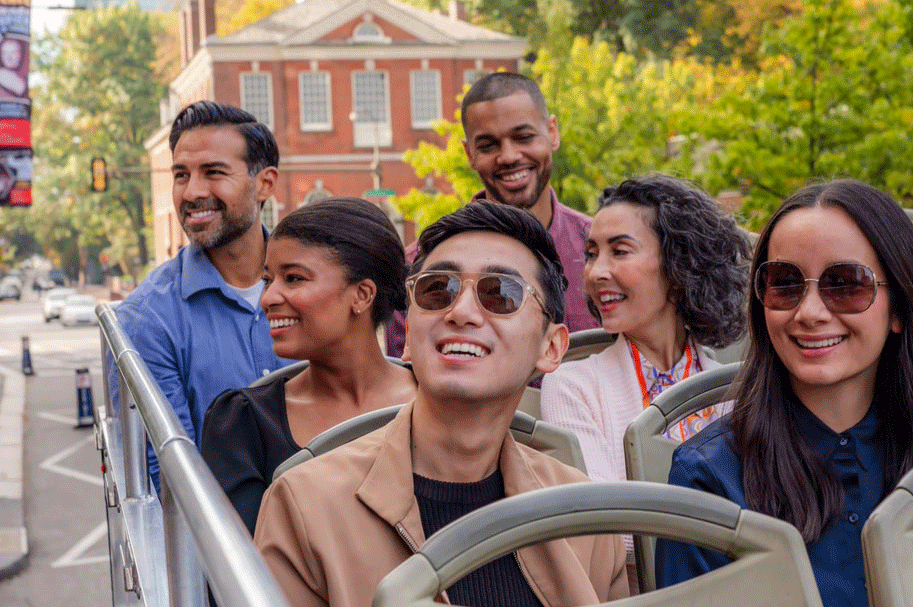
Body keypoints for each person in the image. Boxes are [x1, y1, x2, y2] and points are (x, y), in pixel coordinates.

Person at [654, 179, 913, 606]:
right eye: (784, 282)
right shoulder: (708, 479)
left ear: (898, 306)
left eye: (845, 284)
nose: (810, 312)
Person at [255, 202, 629, 607]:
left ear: (551, 346)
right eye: (438, 290)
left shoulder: (586, 517)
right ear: (410, 331)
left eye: (500, 294)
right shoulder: (305, 506)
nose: (462, 312)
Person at [539, 174, 748, 586]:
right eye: (592, 255)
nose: (597, 273)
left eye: (620, 251)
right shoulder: (571, 384)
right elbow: (608, 528)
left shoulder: (736, 389)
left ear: (678, 265)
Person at [200, 197, 416, 534]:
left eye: (294, 278)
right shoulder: (243, 423)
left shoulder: (440, 399)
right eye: (268, 280)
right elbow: (239, 570)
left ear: (362, 295)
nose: (268, 298)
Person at [109, 101, 293, 487]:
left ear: (265, 183)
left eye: (213, 173)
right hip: (225, 543)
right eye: (181, 175)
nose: (192, 192)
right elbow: (172, 484)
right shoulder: (146, 320)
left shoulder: (318, 289)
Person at [385, 71, 598, 357]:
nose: (509, 156)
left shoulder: (603, 253)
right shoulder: (422, 271)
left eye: (523, 137)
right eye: (488, 145)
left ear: (552, 132)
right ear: (469, 153)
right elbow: (410, 384)